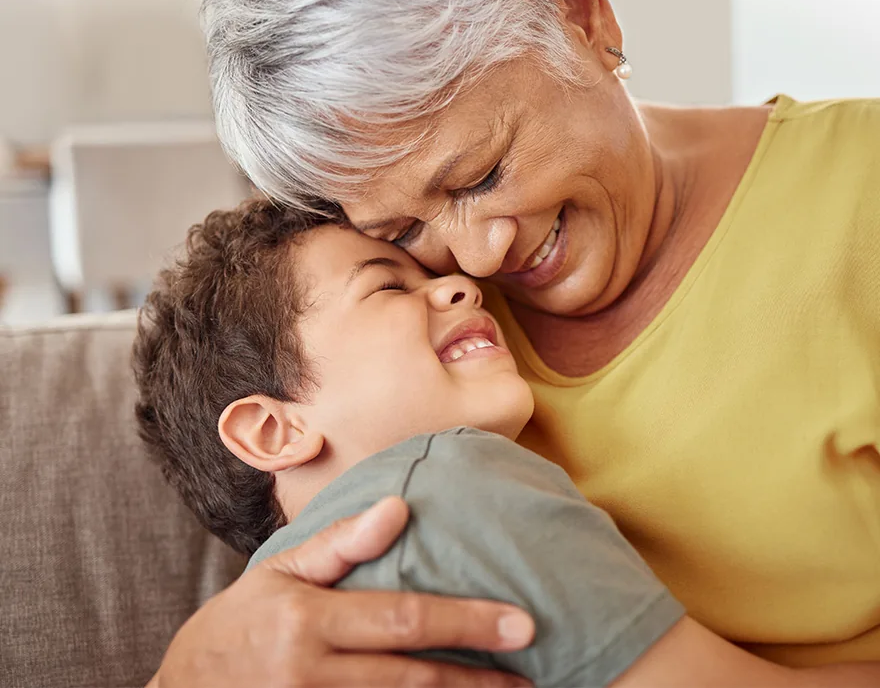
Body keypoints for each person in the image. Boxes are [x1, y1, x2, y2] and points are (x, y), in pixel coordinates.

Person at [151, 0, 880, 684]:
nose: (474, 259)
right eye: (401, 230)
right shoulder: (414, 357)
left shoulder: (856, 194)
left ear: (580, 11)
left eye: (480, 174)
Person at [134, 200, 878, 688]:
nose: (463, 286)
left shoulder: (248, 624)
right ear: (274, 428)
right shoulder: (452, 485)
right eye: (388, 287)